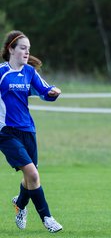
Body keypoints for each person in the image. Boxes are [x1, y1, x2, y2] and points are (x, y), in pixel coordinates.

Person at [0, 30, 63, 233]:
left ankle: (20, 203)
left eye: (28, 49)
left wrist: (53, 92)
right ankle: (47, 218)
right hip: (6, 132)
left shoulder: (29, 72)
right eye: (22, 48)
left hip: (28, 130)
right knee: (33, 175)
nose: (27, 52)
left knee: (29, 178)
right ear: (11, 49)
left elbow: (44, 90)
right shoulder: (1, 73)